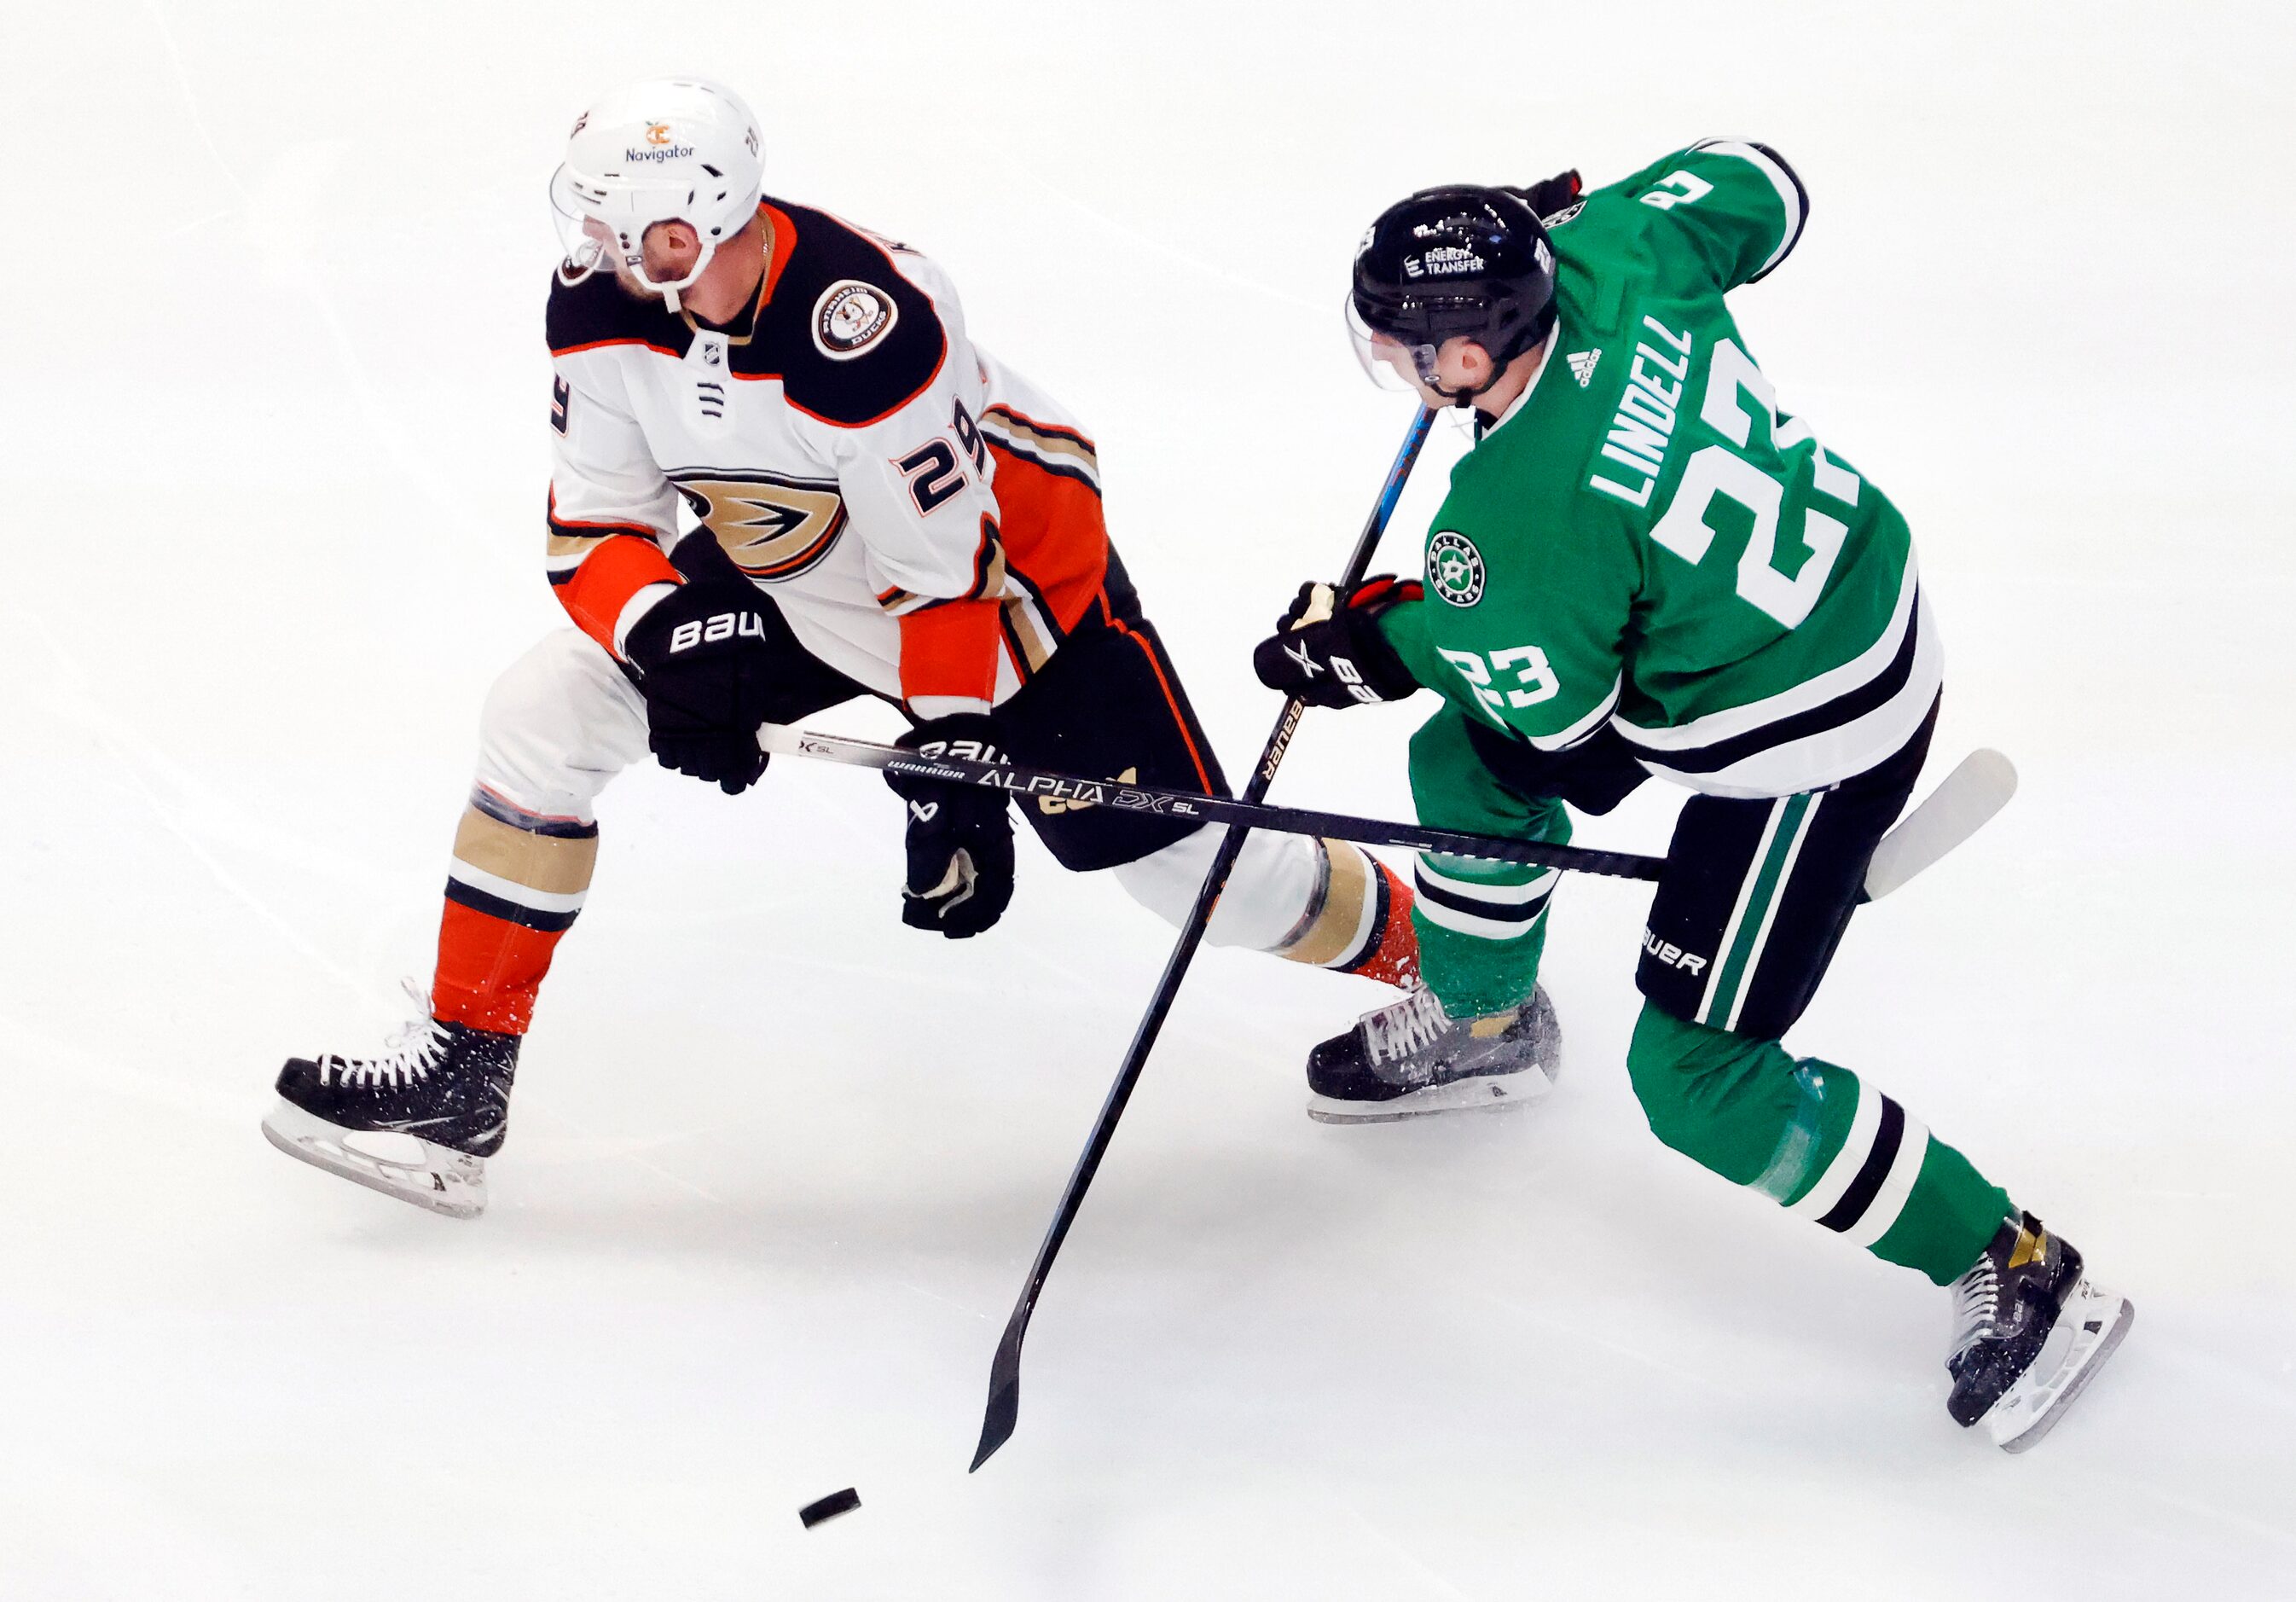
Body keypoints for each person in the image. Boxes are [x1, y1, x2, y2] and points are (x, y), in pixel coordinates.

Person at [261, 77, 1447, 1221]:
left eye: (638, 232)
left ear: (704, 220)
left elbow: (942, 579)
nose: (607, 253)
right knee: (544, 715)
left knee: (1204, 882)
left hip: (1013, 596)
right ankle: (459, 1084)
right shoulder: (599, 308)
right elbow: (595, 529)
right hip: (793, 564)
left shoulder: (865, 322)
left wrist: (952, 762)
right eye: (598, 223)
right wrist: (672, 636)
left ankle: (1458, 984)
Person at [1250, 146, 2131, 1448]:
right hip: (1829, 600)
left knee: (1696, 1076)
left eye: (1406, 345)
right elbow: (1765, 183)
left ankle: (2013, 1256)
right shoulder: (1617, 249)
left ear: (1475, 353)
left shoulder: (1505, 520)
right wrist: (1567, 225)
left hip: (1803, 733)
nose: (1392, 361)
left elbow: (1558, 711)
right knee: (1462, 767)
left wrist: (1376, 645)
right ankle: (1488, 1021)